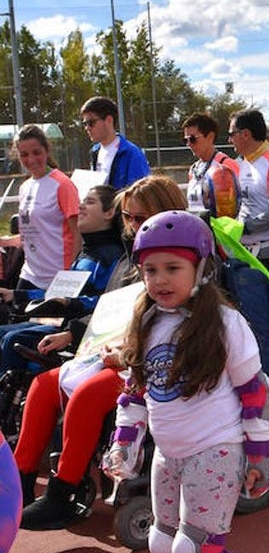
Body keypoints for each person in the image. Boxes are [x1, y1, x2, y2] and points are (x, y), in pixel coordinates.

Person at [108, 210, 269, 553]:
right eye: (150, 269)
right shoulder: (147, 318)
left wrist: (260, 454)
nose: (159, 280)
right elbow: (136, 390)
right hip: (169, 451)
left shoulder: (224, 322)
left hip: (215, 450)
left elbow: (253, 390)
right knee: (162, 542)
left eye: (172, 269)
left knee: (201, 550)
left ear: (200, 269)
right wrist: (124, 442)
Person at [18, 176, 186, 529]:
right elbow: (109, 313)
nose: (132, 225)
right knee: (44, 385)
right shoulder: (131, 260)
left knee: (87, 395)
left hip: (160, 362)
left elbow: (185, 326)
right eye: (128, 217)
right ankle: (18, 483)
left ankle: (61, 495)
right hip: (117, 354)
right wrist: (73, 334)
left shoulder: (185, 258)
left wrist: (126, 354)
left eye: (140, 218)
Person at [0, 185, 123, 373]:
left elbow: (111, 303)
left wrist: (71, 304)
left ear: (109, 213)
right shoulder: (86, 254)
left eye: (89, 202)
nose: (80, 207)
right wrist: (16, 294)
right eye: (82, 201)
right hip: (60, 323)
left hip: (80, 332)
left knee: (12, 339)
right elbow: (60, 293)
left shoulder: (113, 256)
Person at [0, 125, 79, 290]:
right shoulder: (25, 187)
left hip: (56, 277)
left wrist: (70, 277)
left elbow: (78, 235)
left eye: (36, 152)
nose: (31, 160)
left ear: (47, 150)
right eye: (24, 155)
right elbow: (30, 235)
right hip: (30, 274)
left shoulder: (62, 184)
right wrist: (5, 241)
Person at [228, 109, 269, 272]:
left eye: (232, 134)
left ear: (245, 134)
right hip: (243, 253)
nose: (229, 140)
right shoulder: (240, 163)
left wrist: (246, 226)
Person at [81, 96, 150, 190]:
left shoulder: (131, 153)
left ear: (109, 120)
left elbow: (140, 193)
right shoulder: (95, 151)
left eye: (91, 123)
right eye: (85, 124)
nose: (87, 128)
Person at [182, 113, 240, 219]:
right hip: (197, 230)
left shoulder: (226, 165)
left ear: (210, 137)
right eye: (186, 140)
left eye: (192, 139)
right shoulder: (193, 169)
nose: (189, 144)